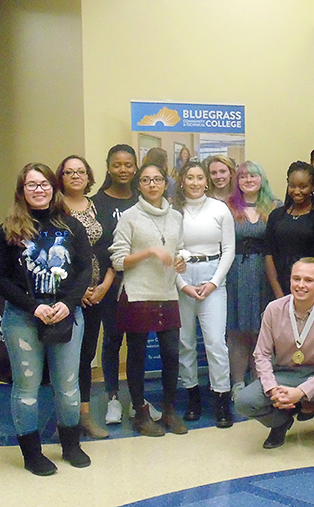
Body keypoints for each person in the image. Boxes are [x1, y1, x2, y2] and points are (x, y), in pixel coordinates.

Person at [0, 163, 93, 476]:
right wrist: (32, 306)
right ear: (22, 191)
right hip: (23, 317)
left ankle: (71, 446)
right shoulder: (8, 229)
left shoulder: (71, 226)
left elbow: (85, 269)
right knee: (27, 386)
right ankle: (32, 454)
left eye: (44, 183)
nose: (38, 189)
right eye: (31, 185)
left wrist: (67, 303)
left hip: (65, 315)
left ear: (53, 187)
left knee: (68, 386)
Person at [234, 258, 314, 452]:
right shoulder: (274, 309)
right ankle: (279, 423)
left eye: (308, 280)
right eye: (296, 279)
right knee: (244, 402)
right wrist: (271, 389)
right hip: (283, 372)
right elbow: (261, 354)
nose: (301, 285)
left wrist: (301, 392)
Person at [110, 163, 188, 437]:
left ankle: (168, 410)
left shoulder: (176, 216)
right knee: (137, 355)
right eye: (146, 180)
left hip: (167, 293)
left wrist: (180, 262)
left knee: (171, 353)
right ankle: (141, 415)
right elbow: (118, 261)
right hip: (137, 293)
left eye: (157, 179)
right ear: (139, 185)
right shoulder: (129, 217)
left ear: (165, 184)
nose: (152, 184)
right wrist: (149, 252)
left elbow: (178, 249)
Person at [174, 161, 236, 428]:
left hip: (213, 278)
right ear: (182, 181)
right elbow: (167, 250)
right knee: (185, 342)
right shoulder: (173, 211)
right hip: (182, 280)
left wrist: (213, 282)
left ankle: (221, 399)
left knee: (215, 342)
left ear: (206, 181)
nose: (196, 182)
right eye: (190, 177)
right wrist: (182, 284)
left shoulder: (220, 209)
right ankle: (193, 398)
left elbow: (229, 250)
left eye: (200, 177)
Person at [55, 155, 110, 439]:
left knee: (86, 355)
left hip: (97, 293)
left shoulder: (97, 206)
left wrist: (103, 285)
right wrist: (78, 291)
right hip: (65, 294)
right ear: (60, 177)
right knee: (64, 356)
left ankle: (84, 416)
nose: (75, 176)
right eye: (69, 172)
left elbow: (110, 248)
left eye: (80, 172)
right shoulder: (53, 208)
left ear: (89, 177)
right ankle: (65, 417)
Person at [91, 144, 144, 426]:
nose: (122, 170)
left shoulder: (144, 200)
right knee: (112, 338)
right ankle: (112, 397)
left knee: (137, 342)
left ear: (135, 167)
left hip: (142, 282)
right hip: (109, 283)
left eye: (128, 165)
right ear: (108, 167)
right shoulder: (96, 203)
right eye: (117, 165)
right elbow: (97, 247)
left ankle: (138, 400)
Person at [225, 161, 282, 398]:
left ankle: (261, 380)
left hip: (265, 272)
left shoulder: (275, 206)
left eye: (253, 176)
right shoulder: (227, 207)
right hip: (235, 272)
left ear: (262, 179)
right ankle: (238, 381)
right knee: (237, 329)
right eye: (243, 177)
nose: (248, 180)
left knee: (262, 330)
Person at [265, 161, 314, 298]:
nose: (296, 191)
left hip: (308, 287)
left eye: (303, 187)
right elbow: (268, 254)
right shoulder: (276, 215)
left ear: (313, 187)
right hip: (279, 285)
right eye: (292, 186)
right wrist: (278, 292)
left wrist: (304, 287)